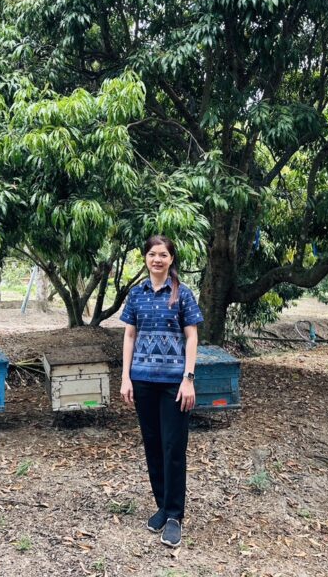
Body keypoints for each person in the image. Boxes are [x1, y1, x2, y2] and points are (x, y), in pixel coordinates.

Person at [119, 235, 202, 548]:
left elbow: (192, 337)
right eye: (152, 254)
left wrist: (188, 378)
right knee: (153, 445)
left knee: (173, 447)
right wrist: (126, 377)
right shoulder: (136, 294)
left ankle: (175, 516)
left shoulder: (182, 294)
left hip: (174, 384)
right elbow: (130, 336)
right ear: (145, 258)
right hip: (142, 381)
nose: (157, 259)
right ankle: (162, 506)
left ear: (171, 259)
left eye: (163, 254)